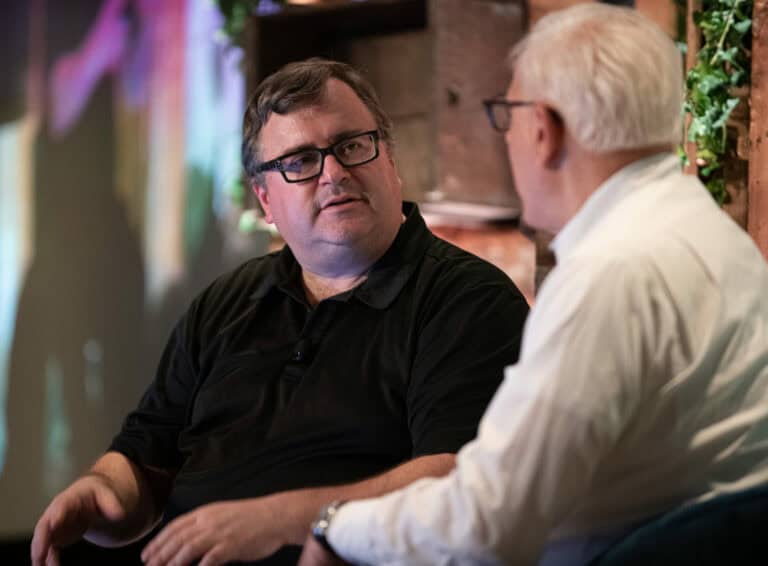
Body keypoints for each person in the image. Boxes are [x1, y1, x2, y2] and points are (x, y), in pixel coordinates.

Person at [297, 5, 768, 566]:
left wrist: (336, 526)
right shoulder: (714, 237)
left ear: (543, 129)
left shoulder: (610, 273)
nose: (509, 139)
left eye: (506, 115)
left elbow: (486, 524)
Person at [30, 58, 529, 566]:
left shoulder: (469, 300)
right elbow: (145, 457)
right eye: (299, 161)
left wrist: (277, 521)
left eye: (352, 145)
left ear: (391, 162)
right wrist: (101, 489)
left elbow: (455, 480)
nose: (334, 172)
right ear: (266, 201)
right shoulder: (223, 303)